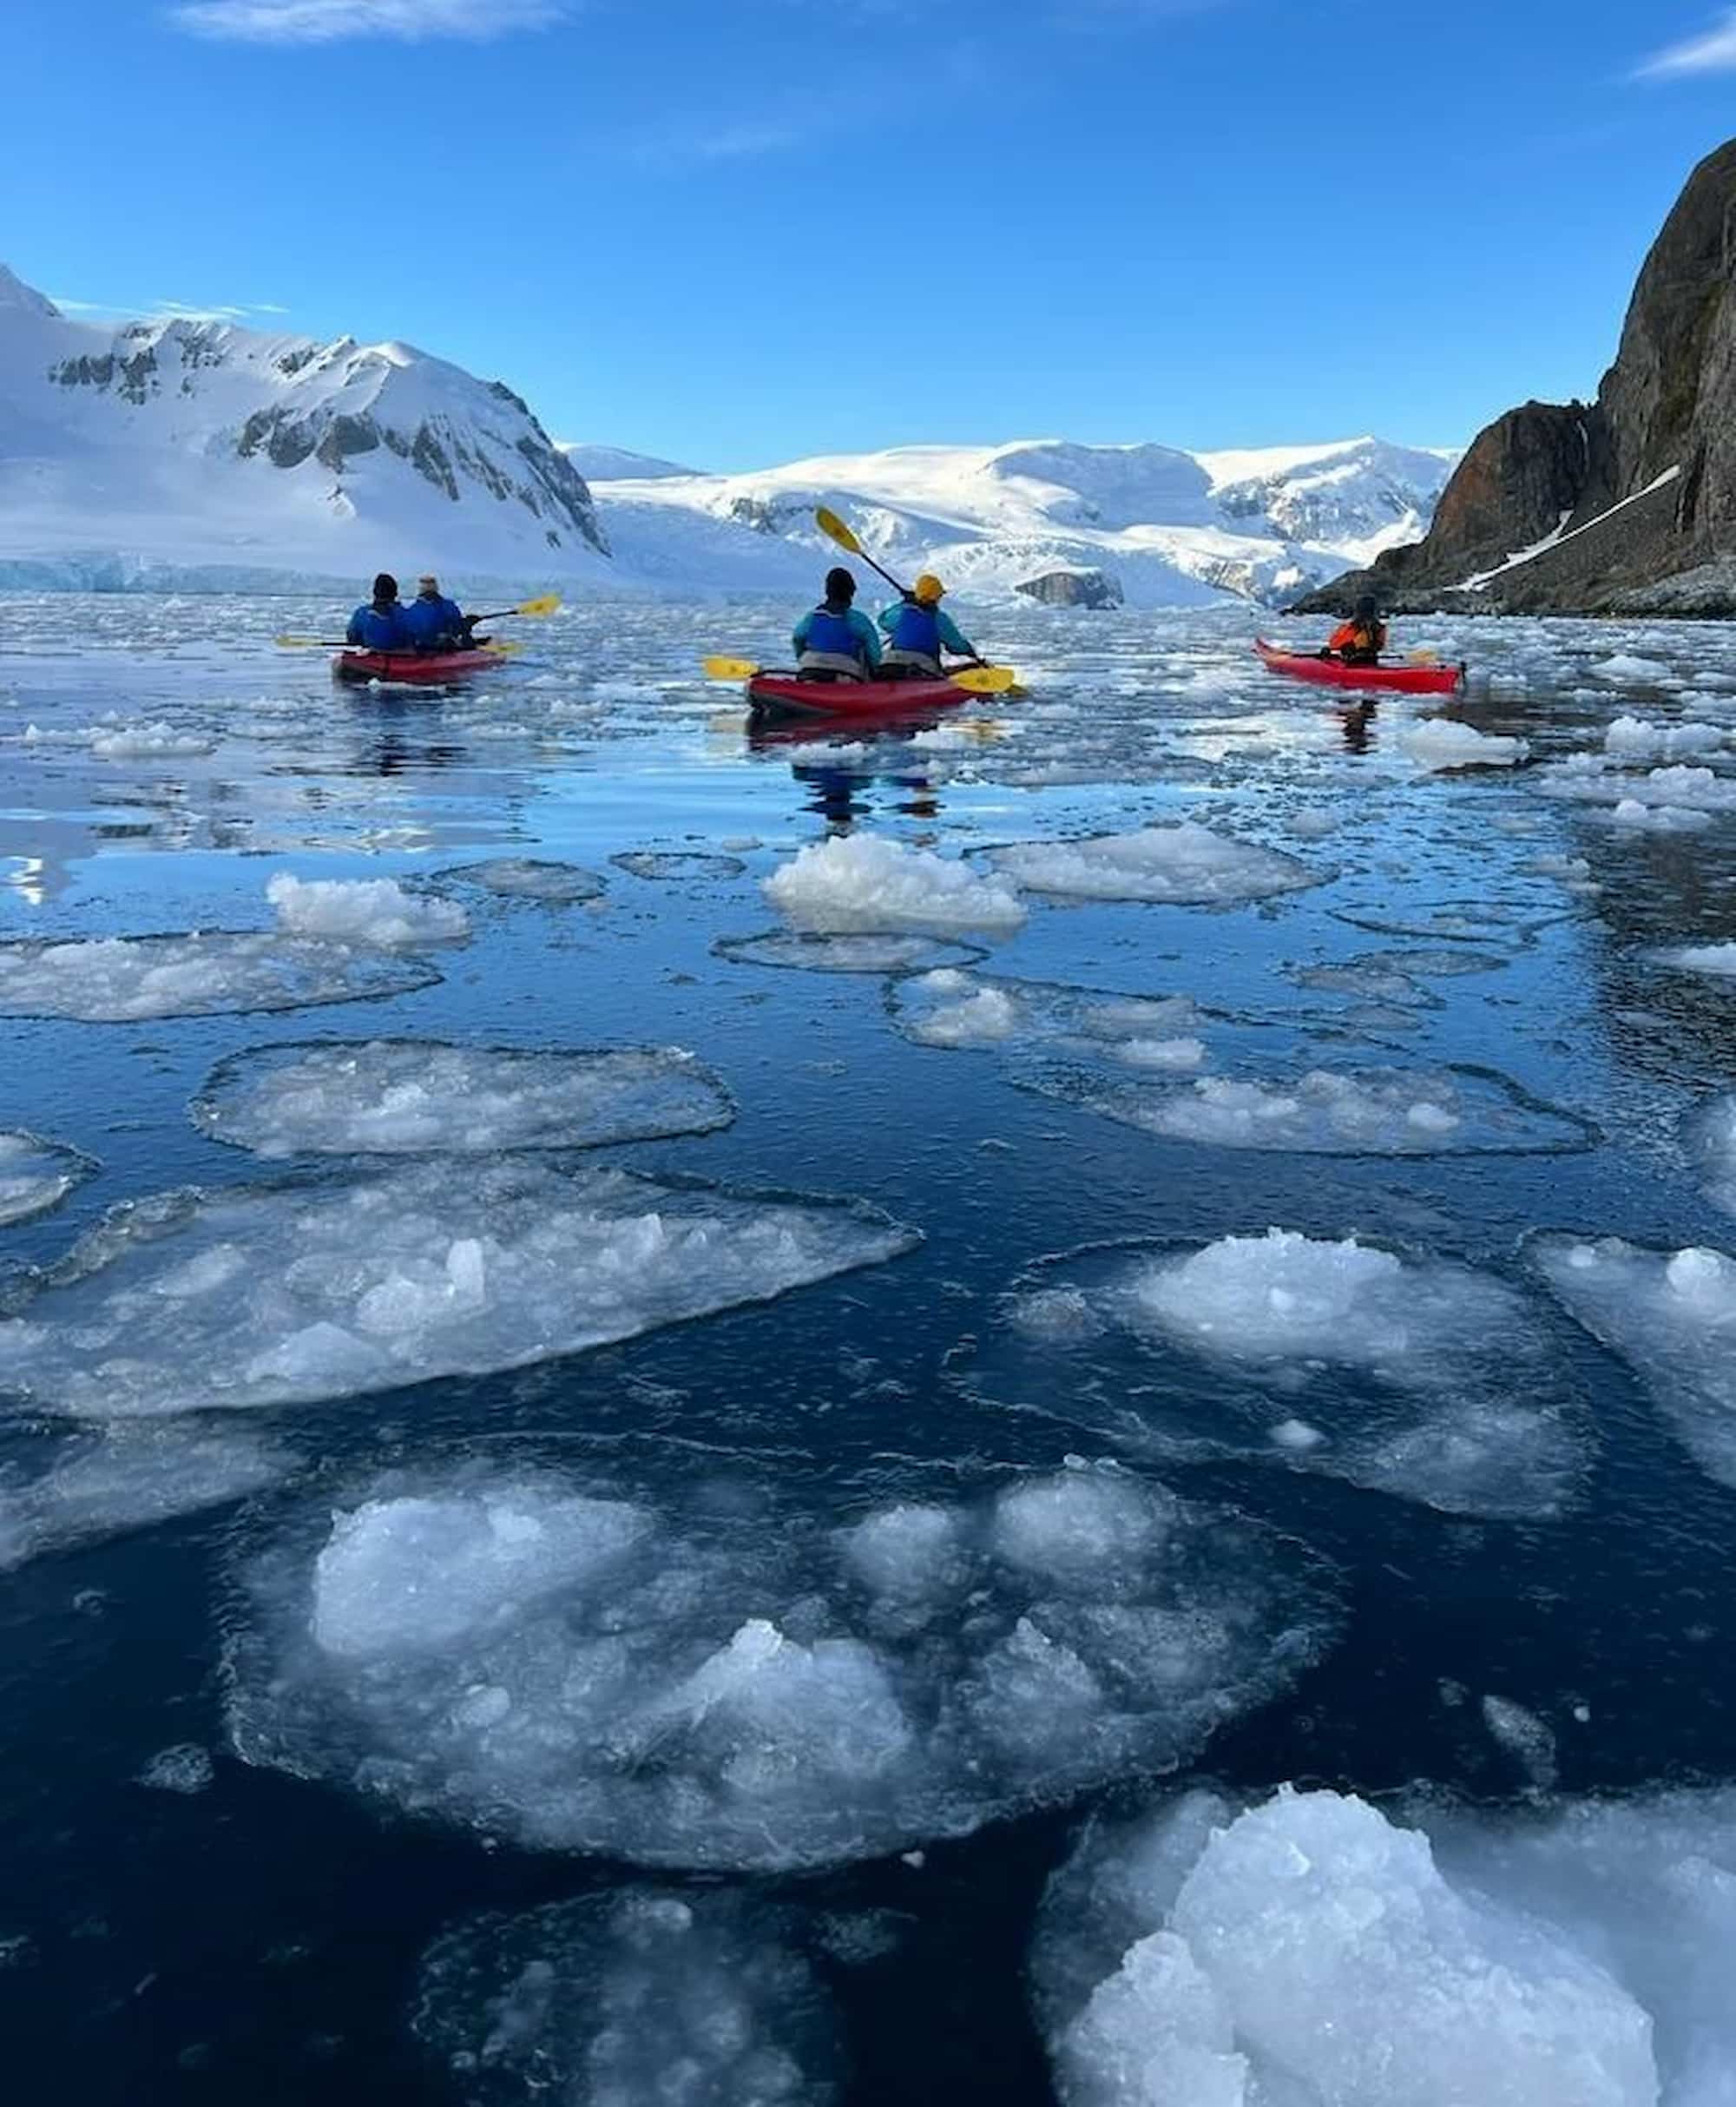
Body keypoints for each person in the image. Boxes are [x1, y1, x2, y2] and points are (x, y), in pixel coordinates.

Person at [878, 573, 977, 677]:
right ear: (936, 597)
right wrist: (971, 654)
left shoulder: (900, 612)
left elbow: (883, 621)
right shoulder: (939, 619)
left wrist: (903, 603)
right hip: (923, 667)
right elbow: (957, 646)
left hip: (891, 661)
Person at [792, 568, 882, 680]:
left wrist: (802, 658)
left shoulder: (811, 617)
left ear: (827, 591)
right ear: (851, 592)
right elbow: (875, 656)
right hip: (846, 674)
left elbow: (797, 638)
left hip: (810, 669)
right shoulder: (860, 620)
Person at [401, 573, 474, 651]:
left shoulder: (411, 610)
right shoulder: (448, 605)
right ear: (436, 588)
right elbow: (458, 627)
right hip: (438, 648)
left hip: (437, 647)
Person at [346, 573, 410, 650]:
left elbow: (352, 640)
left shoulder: (361, 613)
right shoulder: (406, 615)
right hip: (401, 658)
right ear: (395, 593)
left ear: (374, 592)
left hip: (370, 657)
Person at [1325, 595, 1388, 668]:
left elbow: (1334, 644)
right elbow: (1380, 646)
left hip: (1352, 664)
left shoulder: (1352, 627)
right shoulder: (1379, 628)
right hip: (1371, 662)